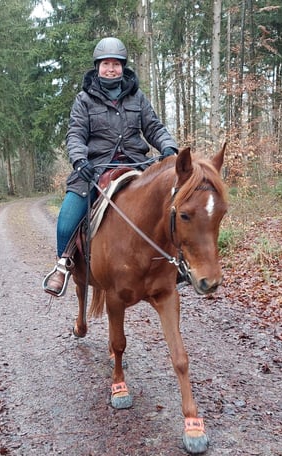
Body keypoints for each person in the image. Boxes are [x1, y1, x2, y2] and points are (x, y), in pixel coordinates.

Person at [42, 37, 178, 297]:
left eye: (116, 64)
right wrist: (80, 160)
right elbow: (76, 135)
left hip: (136, 164)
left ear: (123, 67)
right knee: (68, 217)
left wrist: (168, 147)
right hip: (94, 168)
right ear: (97, 67)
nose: (111, 69)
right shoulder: (84, 100)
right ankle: (63, 264)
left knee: (172, 204)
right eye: (106, 64)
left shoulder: (137, 97)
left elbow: (154, 127)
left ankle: (175, 263)